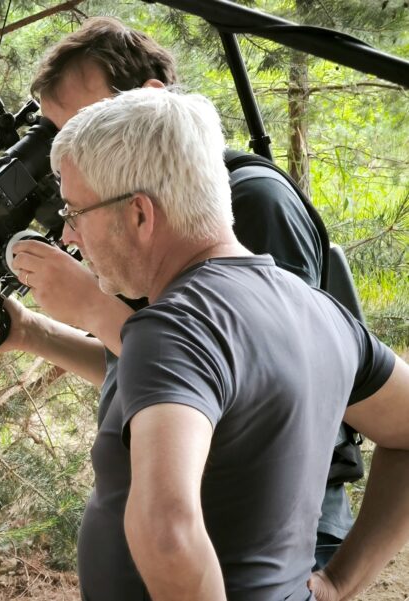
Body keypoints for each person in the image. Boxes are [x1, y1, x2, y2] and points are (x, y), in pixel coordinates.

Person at [0, 16, 349, 594]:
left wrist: (91, 305)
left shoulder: (250, 203)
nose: (66, 155)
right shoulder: (146, 235)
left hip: (268, 531)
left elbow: (251, 378)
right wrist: (33, 332)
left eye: (84, 125)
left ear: (152, 99)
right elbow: (159, 374)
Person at [39, 86, 409, 600]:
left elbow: (166, 531)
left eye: (75, 212)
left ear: (140, 214)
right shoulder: (320, 311)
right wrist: (339, 583)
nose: (68, 236)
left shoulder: (174, 326)